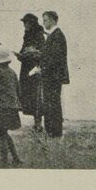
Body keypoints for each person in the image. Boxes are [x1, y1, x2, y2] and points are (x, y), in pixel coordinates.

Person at [33, 11, 69, 139]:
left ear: (53, 21)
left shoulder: (57, 36)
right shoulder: (53, 35)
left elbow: (55, 58)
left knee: (52, 104)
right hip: (51, 75)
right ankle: (52, 132)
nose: (43, 23)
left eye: (45, 20)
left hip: (53, 76)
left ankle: (54, 132)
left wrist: (42, 66)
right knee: (50, 103)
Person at [15, 14, 45, 132]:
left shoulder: (39, 35)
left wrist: (32, 52)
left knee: (36, 96)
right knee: (28, 96)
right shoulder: (27, 36)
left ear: (31, 23)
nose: (24, 25)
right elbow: (23, 51)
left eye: (25, 23)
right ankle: (36, 123)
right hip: (26, 69)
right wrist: (20, 55)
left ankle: (38, 124)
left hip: (34, 70)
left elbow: (42, 53)